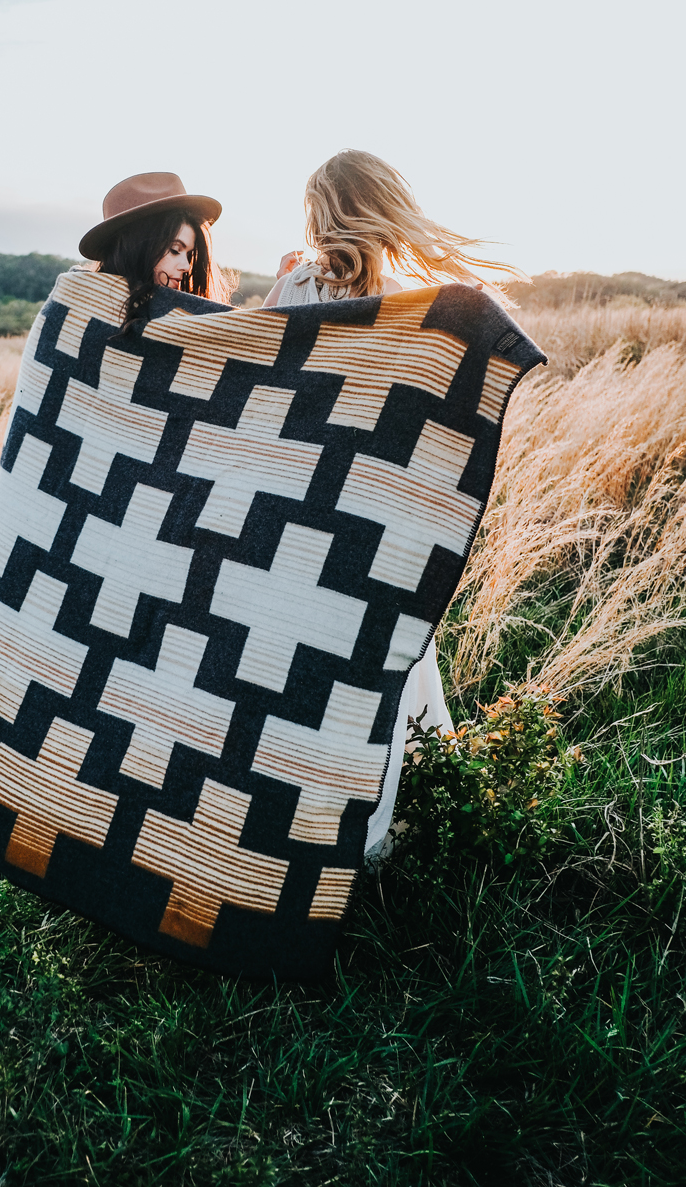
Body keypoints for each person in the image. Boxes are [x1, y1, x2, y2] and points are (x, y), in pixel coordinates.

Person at [264, 149, 520, 862]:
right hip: (390, 512)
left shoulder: (296, 285)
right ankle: (400, 819)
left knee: (308, 669)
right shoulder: (421, 296)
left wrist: (282, 284)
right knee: (391, 657)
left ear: (323, 211)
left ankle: (309, 825)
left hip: (307, 508)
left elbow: (265, 386)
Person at [79, 171, 235, 327]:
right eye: (175, 250)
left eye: (189, 255)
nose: (186, 266)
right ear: (137, 247)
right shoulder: (74, 303)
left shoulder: (182, 326)